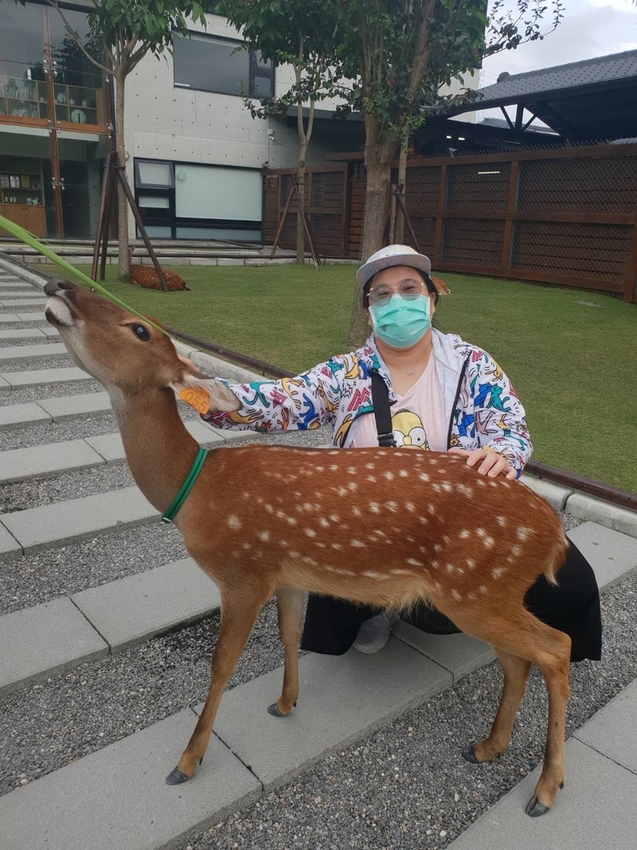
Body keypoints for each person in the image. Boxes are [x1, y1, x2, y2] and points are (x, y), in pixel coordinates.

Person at [194, 245, 601, 662]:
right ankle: (378, 606)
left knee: (575, 582)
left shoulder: (472, 365)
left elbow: (511, 427)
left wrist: (503, 452)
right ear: (370, 313)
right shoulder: (346, 373)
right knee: (342, 553)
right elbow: (279, 400)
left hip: (453, 521)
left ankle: (495, 615)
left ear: (432, 301)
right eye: (382, 294)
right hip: (369, 523)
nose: (397, 302)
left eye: (409, 289)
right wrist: (198, 389)